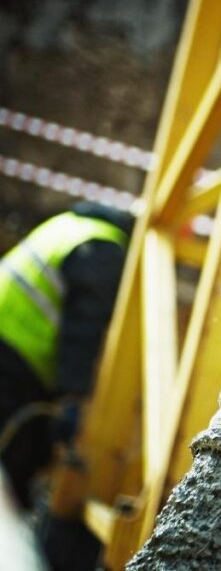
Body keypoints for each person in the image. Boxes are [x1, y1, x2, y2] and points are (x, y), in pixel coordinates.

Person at [0, 201, 132, 508]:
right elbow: (83, 331)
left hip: (11, 347)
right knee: (16, 459)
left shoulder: (68, 224)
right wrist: (73, 397)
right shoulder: (103, 248)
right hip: (15, 357)